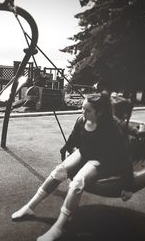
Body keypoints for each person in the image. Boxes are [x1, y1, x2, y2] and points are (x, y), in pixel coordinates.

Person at [11, 92, 133, 241]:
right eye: (82, 108)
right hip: (85, 152)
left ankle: (58, 228)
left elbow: (124, 155)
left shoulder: (112, 128)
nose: (83, 112)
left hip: (103, 160)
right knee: (58, 171)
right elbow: (74, 138)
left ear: (99, 112)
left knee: (77, 184)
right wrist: (65, 148)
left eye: (87, 110)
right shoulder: (81, 120)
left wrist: (128, 185)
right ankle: (29, 207)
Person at [111, 94, 145, 162]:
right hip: (126, 149)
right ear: (125, 114)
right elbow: (138, 134)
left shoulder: (113, 119)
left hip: (117, 146)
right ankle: (141, 158)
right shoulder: (123, 124)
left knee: (139, 127)